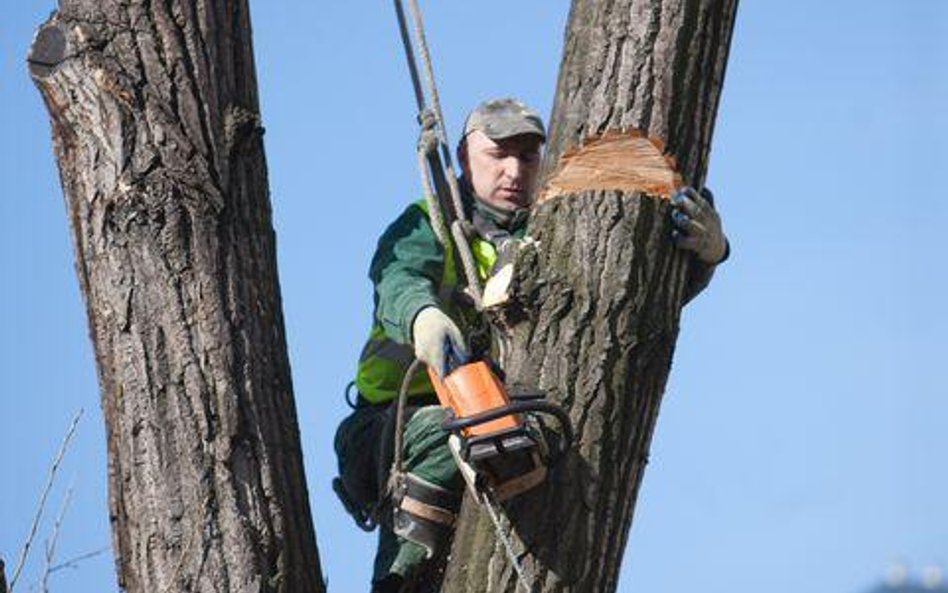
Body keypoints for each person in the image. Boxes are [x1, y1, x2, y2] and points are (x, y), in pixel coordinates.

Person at [333, 97, 729, 592]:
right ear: (462, 157)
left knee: (518, 441)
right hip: (389, 429)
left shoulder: (556, 234)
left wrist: (707, 258)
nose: (514, 170)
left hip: (492, 423)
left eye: (526, 156)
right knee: (451, 432)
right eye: (497, 155)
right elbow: (399, 277)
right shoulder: (426, 225)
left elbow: (628, 304)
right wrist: (422, 316)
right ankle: (399, 584)